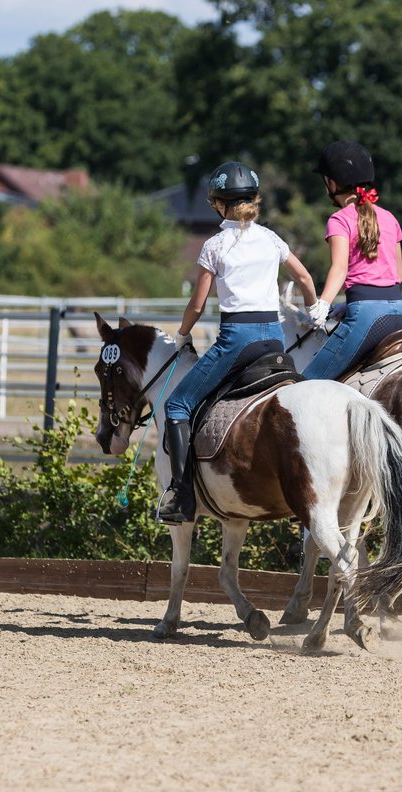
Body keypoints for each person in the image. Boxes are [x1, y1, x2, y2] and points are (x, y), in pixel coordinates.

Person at [157, 161, 317, 524]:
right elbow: (305, 277)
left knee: (178, 406)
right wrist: (316, 309)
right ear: (254, 200)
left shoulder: (214, 245)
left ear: (217, 204)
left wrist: (182, 336)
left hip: (236, 341)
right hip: (274, 340)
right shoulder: (272, 239)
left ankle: (181, 499)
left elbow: (197, 305)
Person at [301, 140, 402, 380]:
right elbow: (398, 275)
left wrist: (323, 304)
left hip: (367, 317)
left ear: (332, 182)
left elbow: (340, 268)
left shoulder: (339, 220)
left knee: (306, 383)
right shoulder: (389, 217)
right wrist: (346, 305)